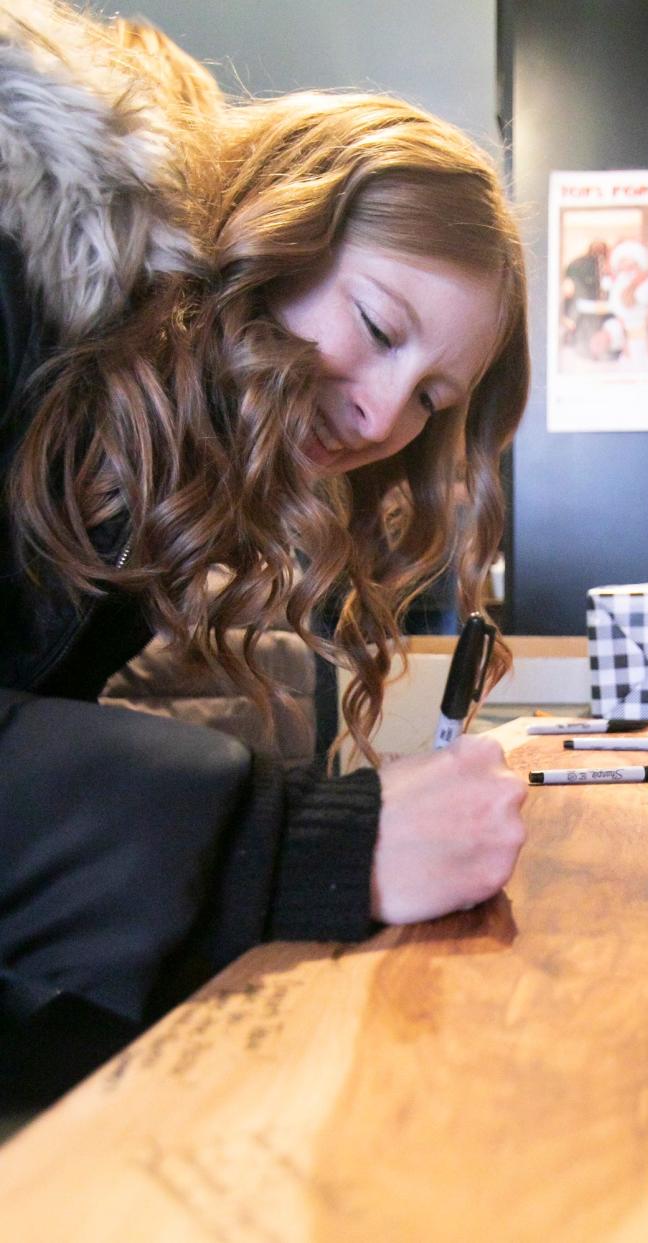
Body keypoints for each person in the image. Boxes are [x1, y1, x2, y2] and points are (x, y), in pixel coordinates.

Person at [0, 1, 529, 1098]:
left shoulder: (146, 464)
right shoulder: (19, 294)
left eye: (434, 397)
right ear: (277, 221)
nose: (385, 415)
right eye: (382, 328)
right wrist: (298, 847)